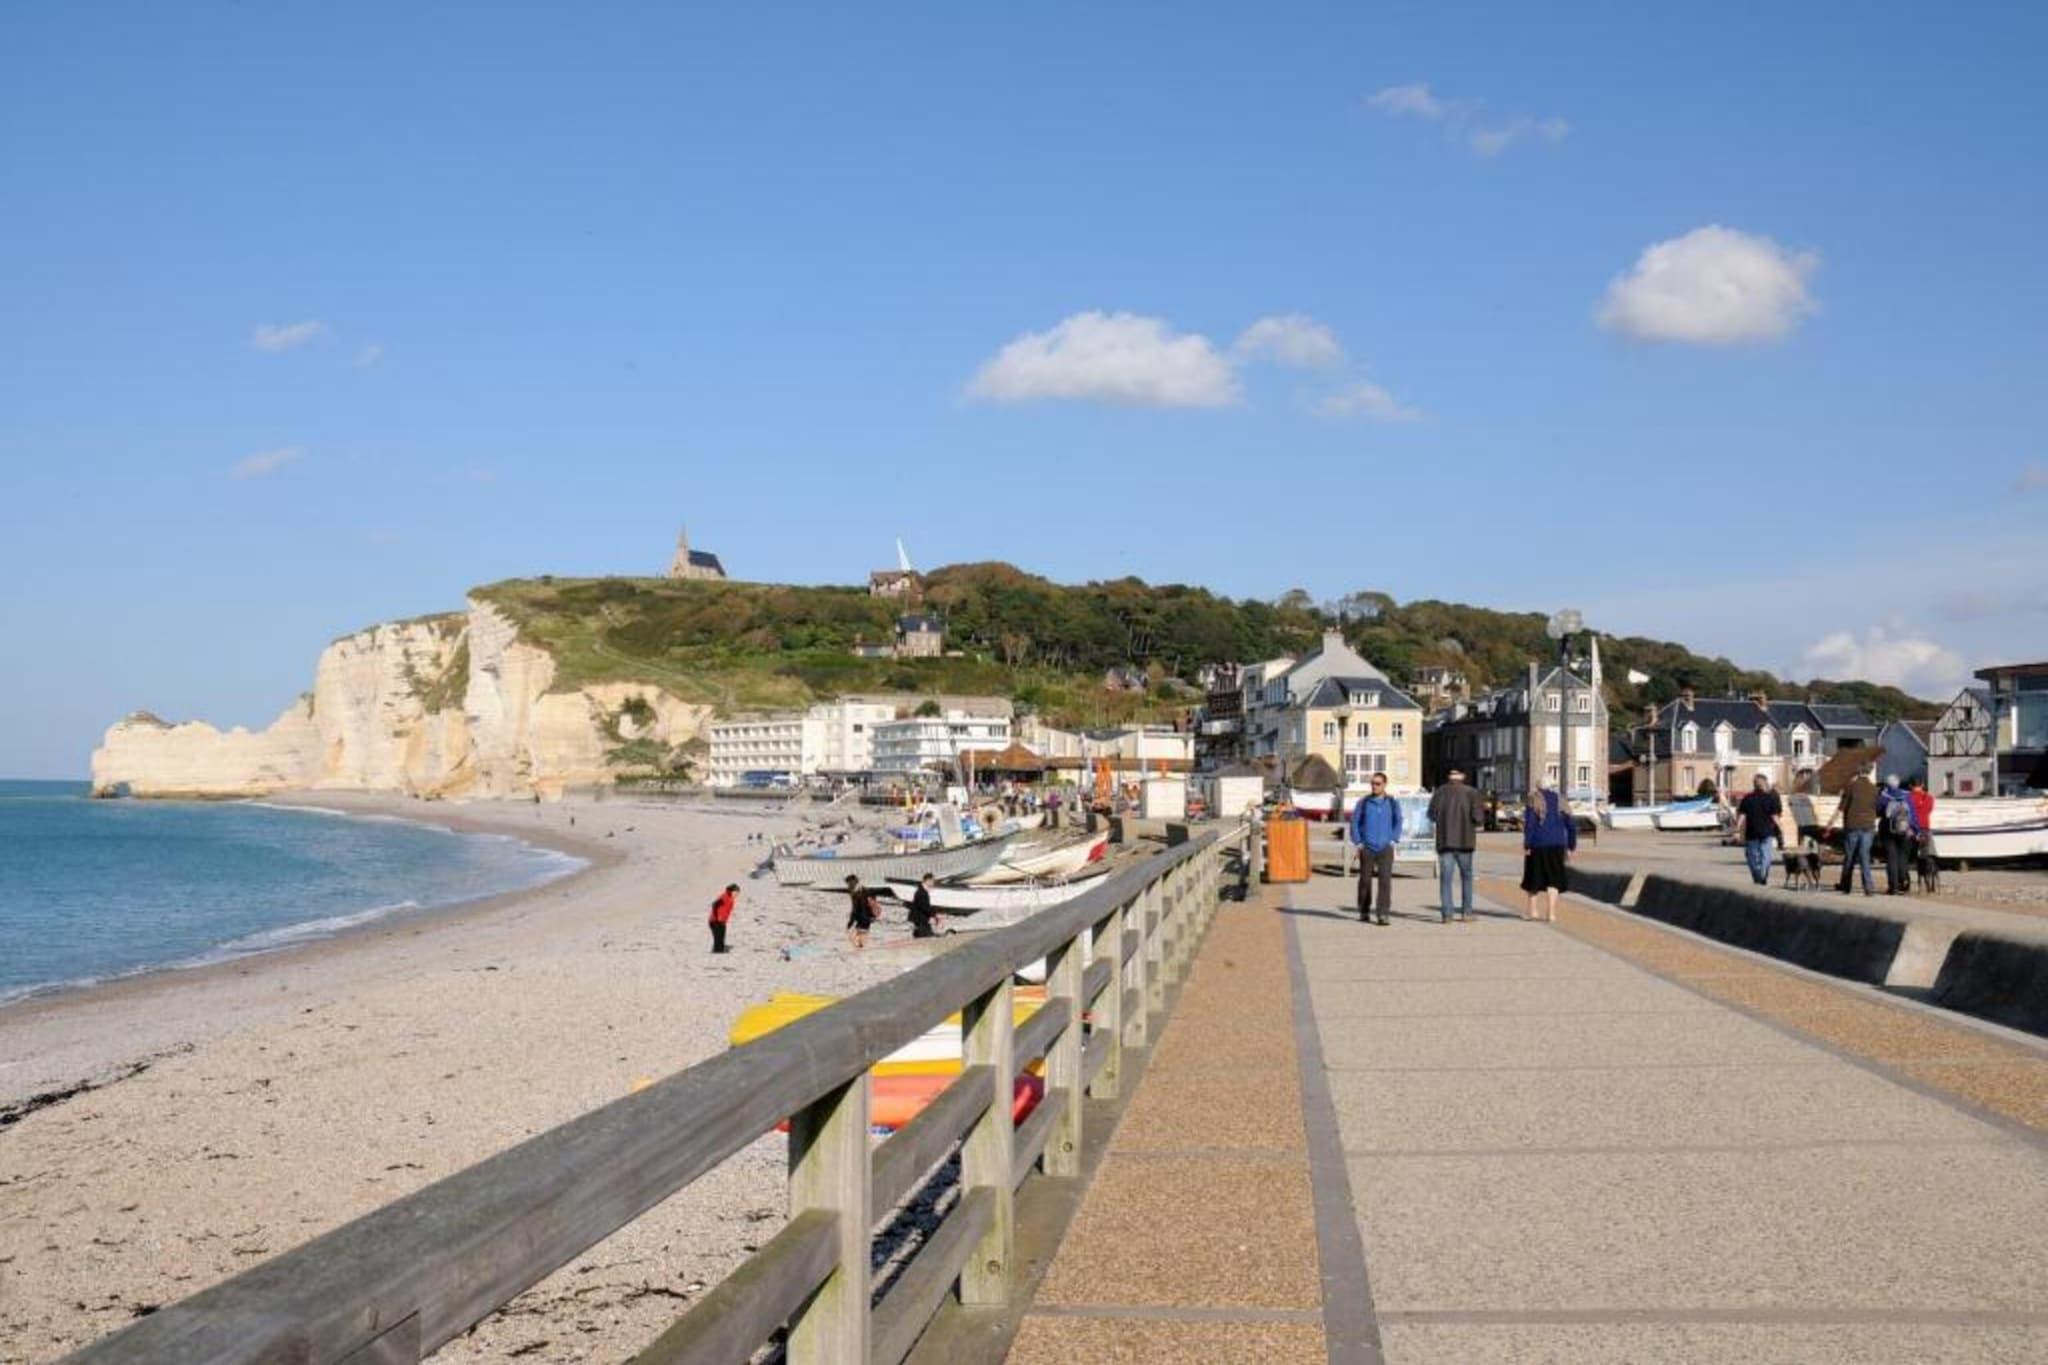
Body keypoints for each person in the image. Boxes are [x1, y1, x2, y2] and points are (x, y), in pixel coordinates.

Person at [1427, 766, 1483, 922]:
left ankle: (1447, 914)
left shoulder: (1440, 792)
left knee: (1446, 879)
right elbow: (1478, 817)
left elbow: (1431, 815)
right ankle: (1467, 912)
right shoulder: (1472, 793)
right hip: (1465, 842)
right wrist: (1476, 823)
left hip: (1445, 842)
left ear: (1449, 776)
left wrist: (1442, 819)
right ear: (1463, 776)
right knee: (1467, 877)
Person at [1347, 772, 1403, 926]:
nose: (1374, 786)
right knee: (1365, 881)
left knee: (1385, 882)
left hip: (1385, 847)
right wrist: (1358, 842)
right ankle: (1364, 910)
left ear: (1384, 785)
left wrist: (1393, 839)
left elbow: (1398, 821)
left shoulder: (1392, 802)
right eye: (1372, 783)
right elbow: (1354, 822)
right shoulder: (1364, 802)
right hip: (1367, 847)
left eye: (1378, 784)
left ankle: (1383, 914)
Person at [1520, 785, 1576, 922]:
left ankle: (1533, 912)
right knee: (1554, 880)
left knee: (1533, 878)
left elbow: (1530, 825)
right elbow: (1571, 825)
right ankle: (1551, 914)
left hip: (1537, 845)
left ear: (1538, 786)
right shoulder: (1561, 800)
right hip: (1557, 845)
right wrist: (1571, 845)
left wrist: (1527, 844)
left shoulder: (1533, 799)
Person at [1825, 765, 1880, 896]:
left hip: (1852, 826)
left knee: (1850, 856)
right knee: (1865, 856)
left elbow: (1841, 808)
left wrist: (1830, 824)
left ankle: (1846, 885)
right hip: (1868, 827)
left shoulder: (1850, 787)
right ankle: (1868, 887)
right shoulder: (1874, 789)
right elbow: (1877, 809)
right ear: (1869, 772)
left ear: (1857, 772)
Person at [1734, 775, 1784, 886]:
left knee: (1752, 856)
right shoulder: (1770, 799)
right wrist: (1781, 828)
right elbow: (1774, 816)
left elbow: (1742, 816)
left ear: (1754, 785)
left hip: (1752, 833)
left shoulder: (1747, 798)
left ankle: (1758, 875)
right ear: (1764, 785)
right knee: (1766, 855)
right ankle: (1762, 875)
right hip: (1767, 833)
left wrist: (1737, 829)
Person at [1876, 774, 1921, 895]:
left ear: (1887, 784)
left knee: (1891, 858)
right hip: (1905, 830)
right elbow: (1913, 814)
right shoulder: (1907, 795)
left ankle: (1893, 886)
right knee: (1903, 857)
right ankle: (1903, 882)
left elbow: (1877, 811)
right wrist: (1915, 830)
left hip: (1888, 830)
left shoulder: (1884, 796)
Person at [844, 874, 878, 950]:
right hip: (865, 918)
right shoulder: (863, 890)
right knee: (859, 937)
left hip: (863, 919)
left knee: (858, 937)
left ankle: (861, 947)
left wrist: (850, 922)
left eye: (849, 883)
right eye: (848, 884)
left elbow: (855, 909)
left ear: (854, 881)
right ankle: (861, 946)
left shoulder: (858, 892)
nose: (848, 886)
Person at [708, 882, 739, 954]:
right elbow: (714, 904)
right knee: (718, 938)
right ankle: (717, 952)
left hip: (721, 921)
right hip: (715, 921)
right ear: (731, 891)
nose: (737, 894)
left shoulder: (730, 898)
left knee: (721, 938)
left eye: (738, 893)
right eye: (736, 892)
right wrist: (716, 917)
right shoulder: (724, 897)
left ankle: (720, 952)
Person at [907, 873, 939, 938]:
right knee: (926, 935)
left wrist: (933, 914)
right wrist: (934, 914)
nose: (933, 883)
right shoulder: (921, 892)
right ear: (928, 881)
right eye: (933, 881)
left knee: (926, 934)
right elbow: (924, 907)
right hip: (919, 918)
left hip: (921, 918)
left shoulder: (923, 890)